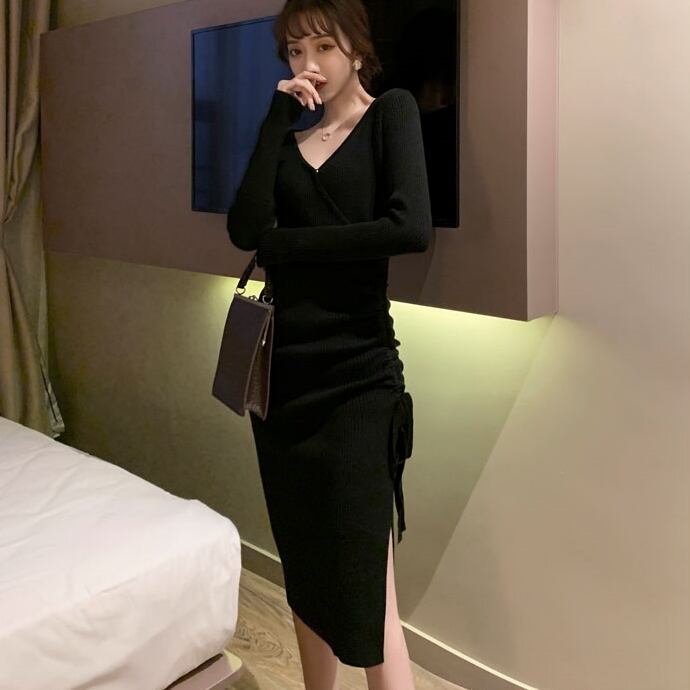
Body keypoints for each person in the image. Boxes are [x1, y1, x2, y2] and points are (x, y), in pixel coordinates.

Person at [226, 1, 432, 688]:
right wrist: (274, 118)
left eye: (322, 46)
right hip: (284, 386)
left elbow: (409, 228)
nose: (307, 64)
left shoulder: (390, 114)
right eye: (294, 51)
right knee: (306, 571)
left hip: (358, 378)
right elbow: (245, 228)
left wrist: (288, 247)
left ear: (356, 50)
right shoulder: (288, 144)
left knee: (369, 589)